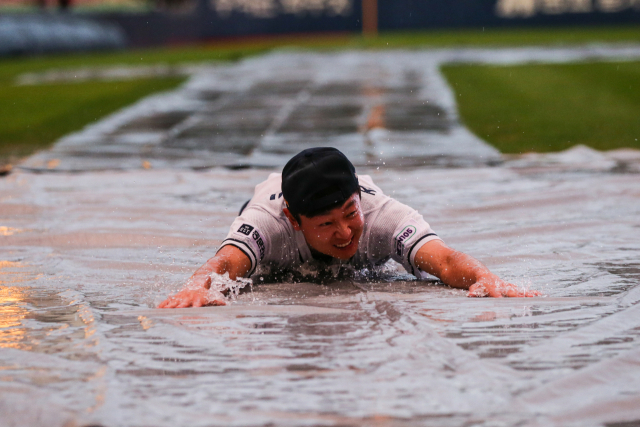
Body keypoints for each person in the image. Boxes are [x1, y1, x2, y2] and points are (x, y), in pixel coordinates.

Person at [159, 147, 539, 308]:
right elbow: (224, 263)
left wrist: (483, 276)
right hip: (265, 208)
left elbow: (444, 260)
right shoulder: (269, 222)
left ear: (358, 196)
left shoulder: (382, 215)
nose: (344, 233)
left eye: (348, 213)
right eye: (326, 224)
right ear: (295, 221)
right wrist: (197, 287)